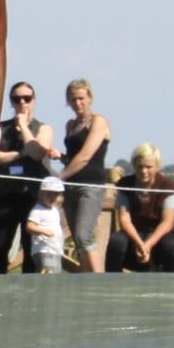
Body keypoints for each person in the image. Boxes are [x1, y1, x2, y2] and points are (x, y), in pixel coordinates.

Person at [0, 81, 58, 274]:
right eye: (17, 99)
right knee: (0, 249)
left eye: (27, 98)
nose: (22, 103)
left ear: (34, 101)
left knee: (30, 250)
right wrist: (19, 154)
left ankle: (29, 296)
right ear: (11, 102)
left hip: (33, 198)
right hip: (5, 195)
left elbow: (37, 152)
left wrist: (23, 127)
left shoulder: (44, 128)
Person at [106, 144, 174, 274]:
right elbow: (124, 218)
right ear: (134, 165)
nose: (144, 171)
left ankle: (173, 286)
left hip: (161, 233)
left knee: (171, 246)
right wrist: (140, 243)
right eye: (140, 167)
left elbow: (167, 222)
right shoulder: (124, 185)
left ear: (157, 167)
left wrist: (148, 245)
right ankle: (111, 286)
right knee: (116, 242)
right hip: (134, 233)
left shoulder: (169, 186)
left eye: (148, 167)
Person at [60, 79, 111, 272]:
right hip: (70, 187)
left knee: (84, 235)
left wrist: (60, 176)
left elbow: (85, 156)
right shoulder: (70, 125)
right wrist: (61, 157)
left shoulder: (99, 122)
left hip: (90, 187)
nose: (77, 103)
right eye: (73, 99)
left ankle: (99, 281)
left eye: (81, 98)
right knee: (78, 239)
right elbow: (73, 158)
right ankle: (86, 279)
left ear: (89, 98)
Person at [25, 175, 66, 274]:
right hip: (44, 250)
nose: (52, 197)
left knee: (55, 275)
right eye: (49, 194)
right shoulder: (38, 209)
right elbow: (29, 226)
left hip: (55, 250)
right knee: (48, 275)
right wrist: (44, 232)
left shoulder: (55, 210)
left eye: (55, 194)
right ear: (41, 194)